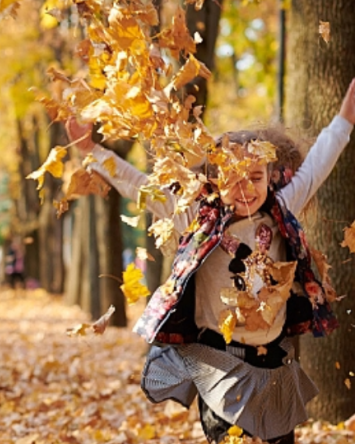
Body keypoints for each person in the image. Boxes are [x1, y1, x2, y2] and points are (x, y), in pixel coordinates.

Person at [66, 79, 355, 444]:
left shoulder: (281, 210)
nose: (246, 188)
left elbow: (318, 164)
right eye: (233, 178)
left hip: (274, 360)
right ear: (215, 180)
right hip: (219, 360)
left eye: (255, 177)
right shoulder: (196, 217)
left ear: (269, 178)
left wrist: (345, 120)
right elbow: (139, 185)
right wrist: (91, 150)